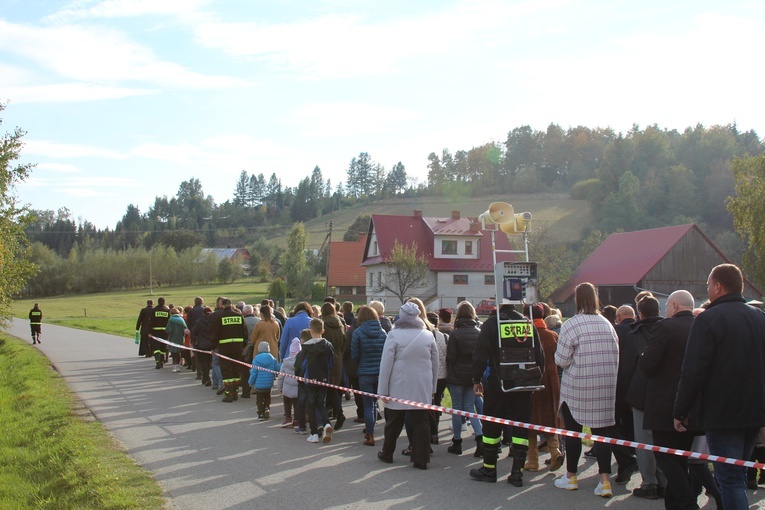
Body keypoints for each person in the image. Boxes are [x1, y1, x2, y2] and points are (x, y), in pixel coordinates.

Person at [674, 264, 765, 510]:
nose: (707, 290)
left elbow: (693, 370)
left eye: (708, 285)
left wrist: (680, 410)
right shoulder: (760, 317)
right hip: (754, 411)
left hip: (722, 412)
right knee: (737, 476)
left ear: (718, 286)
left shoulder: (708, 319)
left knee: (730, 479)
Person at [553, 282, 619, 498]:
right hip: (605, 386)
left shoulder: (572, 324)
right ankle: (605, 481)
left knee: (573, 433)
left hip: (578, 386)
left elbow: (561, 360)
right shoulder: (607, 324)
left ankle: (571, 476)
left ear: (577, 299)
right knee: (602, 435)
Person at [469, 304, 544, 487]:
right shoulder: (527, 324)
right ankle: (517, 473)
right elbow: (539, 356)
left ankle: (489, 469)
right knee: (520, 427)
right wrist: (535, 379)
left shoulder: (493, 324)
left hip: (499, 383)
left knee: (492, 426)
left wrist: (476, 378)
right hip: (524, 384)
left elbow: (480, 353)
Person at [640, 290, 700, 509]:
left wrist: (643, 357)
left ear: (674, 305)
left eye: (666, 307)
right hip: (693, 403)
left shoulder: (665, 327)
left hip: (665, 402)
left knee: (665, 456)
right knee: (680, 458)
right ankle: (675, 504)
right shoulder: (700, 326)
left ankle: (687, 501)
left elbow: (647, 365)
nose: (665, 310)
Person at [377, 302, 439, 470]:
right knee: (421, 420)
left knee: (394, 421)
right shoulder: (427, 335)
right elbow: (435, 364)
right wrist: (433, 389)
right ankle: (421, 458)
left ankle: (387, 452)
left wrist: (382, 390)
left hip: (399, 383)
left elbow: (386, 365)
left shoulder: (394, 335)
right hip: (422, 385)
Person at [622, 297, 666, 499]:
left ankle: (649, 482)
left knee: (644, 441)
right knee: (664, 439)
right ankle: (665, 481)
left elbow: (628, 367)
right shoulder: (668, 330)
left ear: (639, 313)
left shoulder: (635, 334)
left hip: (641, 393)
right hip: (665, 392)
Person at [523, 303, 563, 473]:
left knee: (530, 418)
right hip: (552, 381)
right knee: (550, 417)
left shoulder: (524, 336)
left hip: (531, 380)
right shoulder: (552, 335)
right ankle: (555, 450)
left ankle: (532, 460)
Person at [445, 301, 483, 456]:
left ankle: (457, 440)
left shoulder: (455, 334)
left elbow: (451, 358)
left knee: (457, 408)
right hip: (472, 375)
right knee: (470, 408)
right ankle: (480, 438)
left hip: (456, 375)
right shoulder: (479, 332)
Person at [351, 305, 387, 446]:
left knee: (368, 405)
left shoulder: (358, 333)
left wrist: (361, 364)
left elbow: (355, 354)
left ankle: (369, 433)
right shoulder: (383, 332)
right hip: (379, 372)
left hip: (365, 372)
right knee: (378, 403)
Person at [296, 318, 335, 444]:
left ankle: (313, 433)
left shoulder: (306, 347)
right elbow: (331, 362)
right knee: (321, 403)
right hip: (323, 378)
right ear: (323, 330)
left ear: (311, 331)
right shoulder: (328, 345)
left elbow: (301, 364)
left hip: (310, 379)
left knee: (311, 405)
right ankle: (327, 424)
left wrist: (300, 374)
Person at [211, 298, 248, 403]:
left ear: (222, 306)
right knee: (236, 370)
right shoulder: (239, 316)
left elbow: (215, 334)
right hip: (237, 348)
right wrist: (243, 345)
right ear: (231, 305)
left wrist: (213, 347)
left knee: (227, 371)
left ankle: (229, 395)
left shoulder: (219, 317)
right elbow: (245, 332)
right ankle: (235, 393)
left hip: (224, 348)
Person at [321, 302, 346, 431]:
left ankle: (325, 418)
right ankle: (338, 412)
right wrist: (339, 354)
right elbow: (344, 342)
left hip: (325, 359)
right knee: (333, 388)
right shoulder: (340, 324)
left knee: (324, 389)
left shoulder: (322, 324)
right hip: (337, 358)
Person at [249, 342, 281, 420]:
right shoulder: (272, 359)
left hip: (258, 385)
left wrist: (250, 382)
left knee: (259, 399)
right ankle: (267, 408)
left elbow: (254, 373)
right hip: (269, 384)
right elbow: (277, 368)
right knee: (267, 397)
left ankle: (261, 413)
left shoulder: (256, 359)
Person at [277, 338, 301, 427]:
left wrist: (279, 387)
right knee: (297, 404)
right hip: (298, 388)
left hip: (287, 388)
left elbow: (281, 376)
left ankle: (288, 418)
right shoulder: (301, 362)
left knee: (287, 403)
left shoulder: (285, 362)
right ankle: (297, 420)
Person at [191, 306, 214, 386]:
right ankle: (207, 378)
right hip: (212, 345)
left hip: (201, 345)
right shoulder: (214, 321)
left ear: (203, 313)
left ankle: (206, 378)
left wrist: (194, 340)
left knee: (203, 363)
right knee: (210, 361)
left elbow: (193, 332)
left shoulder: (199, 321)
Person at [149, 297, 171, 369]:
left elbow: (151, 322)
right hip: (164, 332)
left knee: (156, 347)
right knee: (163, 347)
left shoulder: (154, 310)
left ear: (158, 302)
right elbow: (169, 322)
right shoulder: (167, 310)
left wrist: (149, 332)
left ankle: (157, 361)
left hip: (156, 331)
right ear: (164, 302)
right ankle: (162, 361)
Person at [165, 308, 188, 373]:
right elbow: (185, 329)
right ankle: (178, 367)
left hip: (173, 338)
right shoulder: (182, 320)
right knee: (179, 353)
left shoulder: (171, 320)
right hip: (180, 338)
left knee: (174, 353)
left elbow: (168, 330)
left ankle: (174, 367)